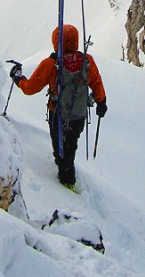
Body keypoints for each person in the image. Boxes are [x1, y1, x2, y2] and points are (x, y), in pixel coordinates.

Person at [10, 24, 107, 189]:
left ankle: (67, 181)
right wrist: (101, 102)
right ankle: (67, 172)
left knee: (60, 148)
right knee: (71, 144)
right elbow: (96, 83)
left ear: (56, 41)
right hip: (78, 114)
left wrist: (18, 78)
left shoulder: (50, 64)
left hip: (58, 114)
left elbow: (30, 88)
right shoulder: (87, 61)